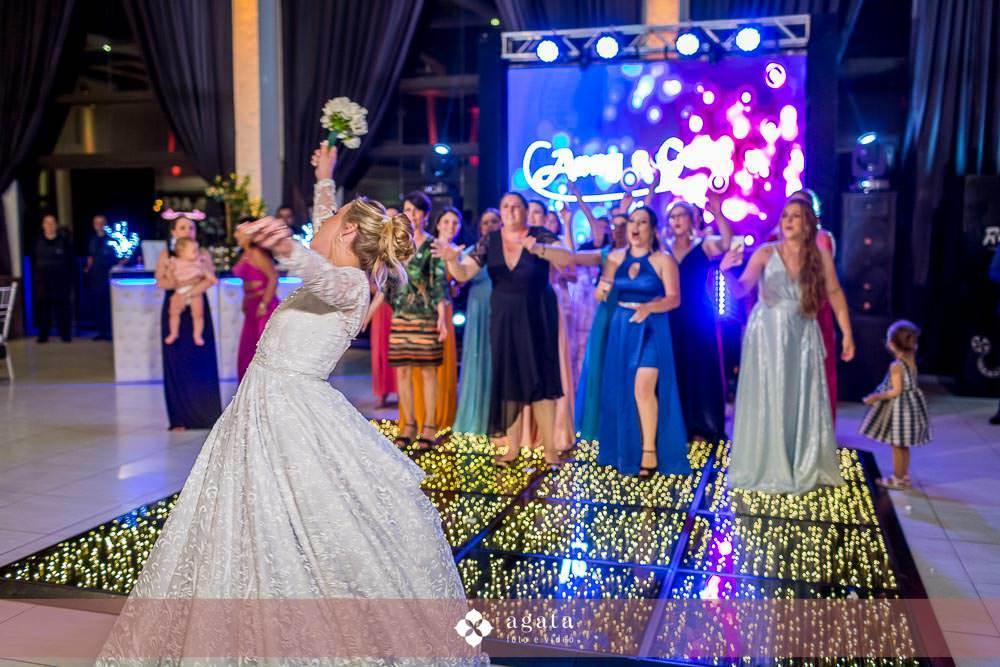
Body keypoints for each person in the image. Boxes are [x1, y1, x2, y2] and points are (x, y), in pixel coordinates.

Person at [97, 142, 480, 665]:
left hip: (289, 416)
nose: (318, 226)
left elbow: (319, 269)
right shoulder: (344, 265)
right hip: (261, 409)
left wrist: (284, 246)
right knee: (249, 522)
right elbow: (326, 228)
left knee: (301, 526)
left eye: (333, 222)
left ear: (348, 233)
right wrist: (325, 177)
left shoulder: (352, 284)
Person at [721, 197, 855, 493]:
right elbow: (742, 289)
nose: (788, 221)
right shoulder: (765, 253)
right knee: (771, 392)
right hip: (767, 333)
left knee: (799, 395)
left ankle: (799, 460)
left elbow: (834, 292)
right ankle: (769, 462)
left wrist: (847, 333)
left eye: (795, 216)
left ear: (808, 223)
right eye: (785, 216)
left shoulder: (819, 255)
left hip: (802, 332)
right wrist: (727, 271)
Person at [434, 192, 573, 469]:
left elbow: (567, 258)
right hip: (503, 319)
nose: (511, 211)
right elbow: (464, 273)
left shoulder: (540, 234)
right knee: (509, 380)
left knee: (542, 381)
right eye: (506, 206)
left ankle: (550, 450)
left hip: (537, 316)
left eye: (516, 206)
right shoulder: (491, 240)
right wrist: (451, 259)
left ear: (525, 211)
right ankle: (511, 448)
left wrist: (538, 249)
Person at [594, 205, 688, 478]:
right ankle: (624, 450)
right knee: (622, 389)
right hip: (622, 326)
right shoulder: (615, 257)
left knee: (643, 387)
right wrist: (602, 290)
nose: (635, 227)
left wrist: (649, 308)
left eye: (642, 222)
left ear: (653, 229)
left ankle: (649, 450)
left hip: (650, 328)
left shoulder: (663, 260)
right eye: (632, 221)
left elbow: (674, 298)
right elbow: (602, 292)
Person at [665, 196, 732, 443]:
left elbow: (726, 243)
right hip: (670, 314)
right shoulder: (663, 247)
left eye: (681, 215)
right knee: (675, 367)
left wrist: (718, 212)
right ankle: (678, 426)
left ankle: (703, 426)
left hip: (698, 314)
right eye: (672, 217)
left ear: (691, 219)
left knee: (702, 368)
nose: (676, 221)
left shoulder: (703, 245)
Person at [386, 190, 447, 449]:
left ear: (425, 215)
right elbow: (388, 282)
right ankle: (408, 425)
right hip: (401, 316)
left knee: (427, 372)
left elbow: (439, 284)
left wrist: (442, 318)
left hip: (425, 317)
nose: (412, 215)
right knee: (403, 371)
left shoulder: (432, 245)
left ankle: (429, 427)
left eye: (417, 210)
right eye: (408, 210)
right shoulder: (397, 245)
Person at [155, 214, 222, 431]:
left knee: (201, 359)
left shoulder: (202, 254)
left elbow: (210, 279)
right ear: (174, 232)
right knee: (176, 359)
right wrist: (178, 283)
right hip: (175, 307)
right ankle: (179, 418)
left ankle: (205, 415)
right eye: (183, 227)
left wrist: (191, 290)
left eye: (191, 228)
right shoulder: (167, 255)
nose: (188, 231)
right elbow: (160, 282)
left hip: (197, 306)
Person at [860, 320, 932, 489]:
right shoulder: (911, 360)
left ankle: (898, 479)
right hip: (912, 407)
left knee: (897, 446)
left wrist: (876, 397)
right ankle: (903, 476)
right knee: (903, 445)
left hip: (901, 410)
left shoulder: (896, 366)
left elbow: (896, 391)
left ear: (892, 344)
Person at [453, 208, 500, 434]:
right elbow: (457, 279)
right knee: (477, 355)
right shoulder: (472, 252)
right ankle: (475, 417)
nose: (489, 226)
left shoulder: (506, 250)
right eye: (485, 222)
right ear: (480, 227)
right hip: (478, 306)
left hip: (500, 306)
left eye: (494, 221)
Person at [232, 220, 279, 381]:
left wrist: (264, 303)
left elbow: (273, 277)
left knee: (261, 349)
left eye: (239, 231)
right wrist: (245, 300)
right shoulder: (245, 253)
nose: (236, 235)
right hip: (252, 305)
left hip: (263, 306)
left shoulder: (257, 253)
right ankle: (249, 390)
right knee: (248, 351)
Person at [364, 205, 400, 409]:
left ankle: (402, 392)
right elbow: (369, 277)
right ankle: (382, 392)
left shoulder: (404, 246)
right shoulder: (376, 247)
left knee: (398, 348)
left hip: (399, 305)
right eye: (387, 217)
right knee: (380, 349)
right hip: (380, 306)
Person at [164, 238, 216, 346]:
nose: (197, 253)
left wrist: (211, 277)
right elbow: (170, 277)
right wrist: (169, 271)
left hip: (195, 290)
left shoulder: (198, 262)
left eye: (197, 250)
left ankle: (197, 335)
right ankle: (173, 333)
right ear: (181, 252)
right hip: (179, 291)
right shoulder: (175, 262)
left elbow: (206, 274)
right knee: (173, 313)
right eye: (194, 251)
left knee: (198, 315)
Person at [32, 214, 75, 343]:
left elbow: (70, 261)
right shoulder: (37, 241)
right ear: (43, 225)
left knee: (63, 309)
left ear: (56, 225)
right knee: (43, 309)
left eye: (52, 223)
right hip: (42, 282)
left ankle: (65, 334)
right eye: (47, 223)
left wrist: (69, 279)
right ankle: (43, 335)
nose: (50, 225)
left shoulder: (64, 241)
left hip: (60, 282)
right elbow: (33, 260)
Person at [85, 214, 119, 340]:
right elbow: (90, 256)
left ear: (105, 224)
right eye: (96, 223)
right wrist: (88, 268)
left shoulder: (112, 240)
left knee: (108, 304)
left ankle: (110, 332)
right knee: (98, 304)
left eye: (101, 223)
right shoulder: (92, 240)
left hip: (108, 276)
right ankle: (101, 332)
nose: (99, 225)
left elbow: (119, 258)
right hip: (95, 276)